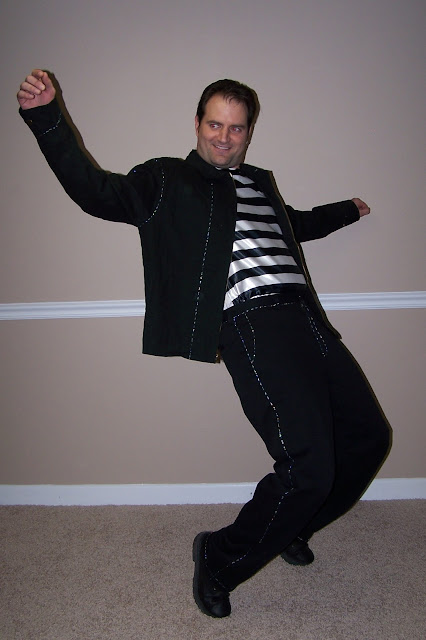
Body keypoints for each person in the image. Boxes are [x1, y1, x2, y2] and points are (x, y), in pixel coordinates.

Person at [18, 70, 391, 618]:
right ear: (197, 124)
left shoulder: (259, 184)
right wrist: (46, 119)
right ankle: (218, 557)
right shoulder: (168, 180)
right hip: (252, 321)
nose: (224, 136)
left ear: (248, 133)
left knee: (369, 437)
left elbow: (296, 224)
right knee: (309, 465)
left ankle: (294, 525)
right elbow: (95, 191)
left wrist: (346, 211)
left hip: (309, 319)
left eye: (236, 128)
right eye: (215, 124)